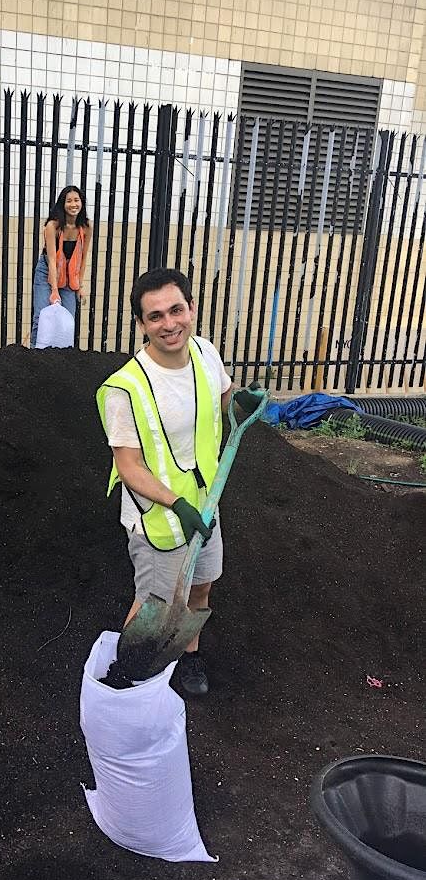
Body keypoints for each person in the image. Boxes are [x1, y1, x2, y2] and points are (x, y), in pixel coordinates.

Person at [96, 268, 262, 699]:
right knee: (154, 603)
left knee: (202, 586)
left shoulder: (206, 353)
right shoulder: (124, 388)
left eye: (176, 310)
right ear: (141, 325)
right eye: (155, 317)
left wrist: (240, 401)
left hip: (206, 504)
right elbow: (129, 466)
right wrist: (177, 505)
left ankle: (189, 656)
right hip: (160, 517)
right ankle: (126, 679)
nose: (169, 324)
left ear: (191, 308)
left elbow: (222, 400)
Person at [32, 185, 92, 347]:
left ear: (82, 203)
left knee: (68, 319)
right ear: (62, 204)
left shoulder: (86, 227)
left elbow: (83, 258)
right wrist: (54, 290)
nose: (74, 205)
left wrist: (80, 285)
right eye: (69, 201)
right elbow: (52, 259)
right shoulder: (53, 226)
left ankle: (63, 359)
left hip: (69, 275)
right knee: (42, 316)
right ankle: (33, 358)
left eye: (77, 200)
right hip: (47, 273)